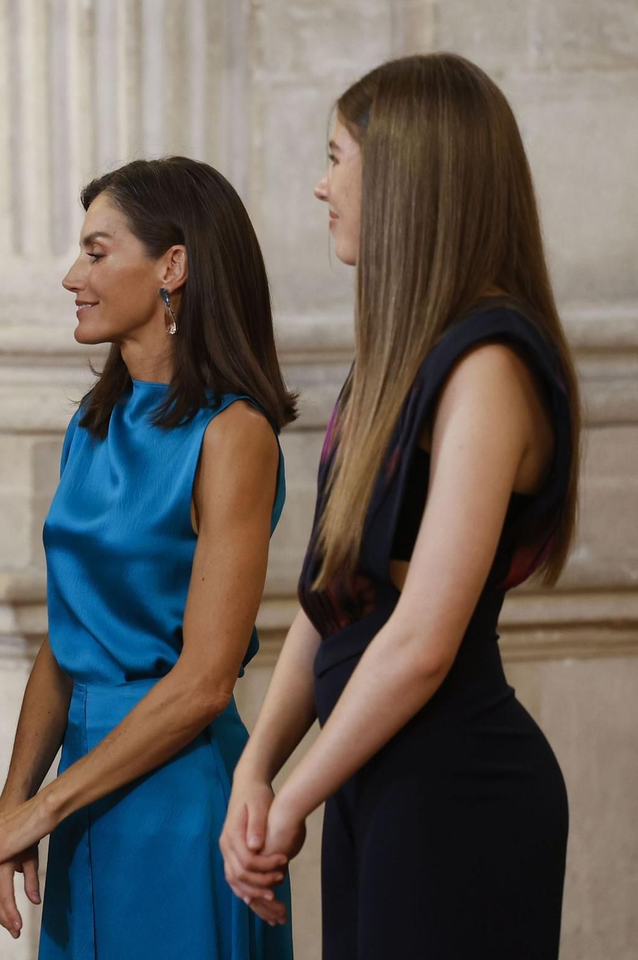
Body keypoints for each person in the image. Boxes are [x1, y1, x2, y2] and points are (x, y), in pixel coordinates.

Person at [219, 53, 578, 960]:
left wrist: (292, 794)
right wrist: (256, 769)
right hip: (375, 780)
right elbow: (333, 597)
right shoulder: (395, 359)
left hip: (456, 790)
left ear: (408, 176)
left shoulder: (487, 363)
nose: (320, 183)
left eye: (337, 155)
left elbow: (420, 643)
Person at [0, 157, 297, 959]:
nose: (73, 275)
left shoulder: (234, 434)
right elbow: (65, 639)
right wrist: (16, 808)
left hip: (179, 800)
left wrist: (41, 810)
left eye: (98, 251)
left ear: (172, 265)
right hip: (83, 795)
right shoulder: (93, 421)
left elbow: (207, 681)